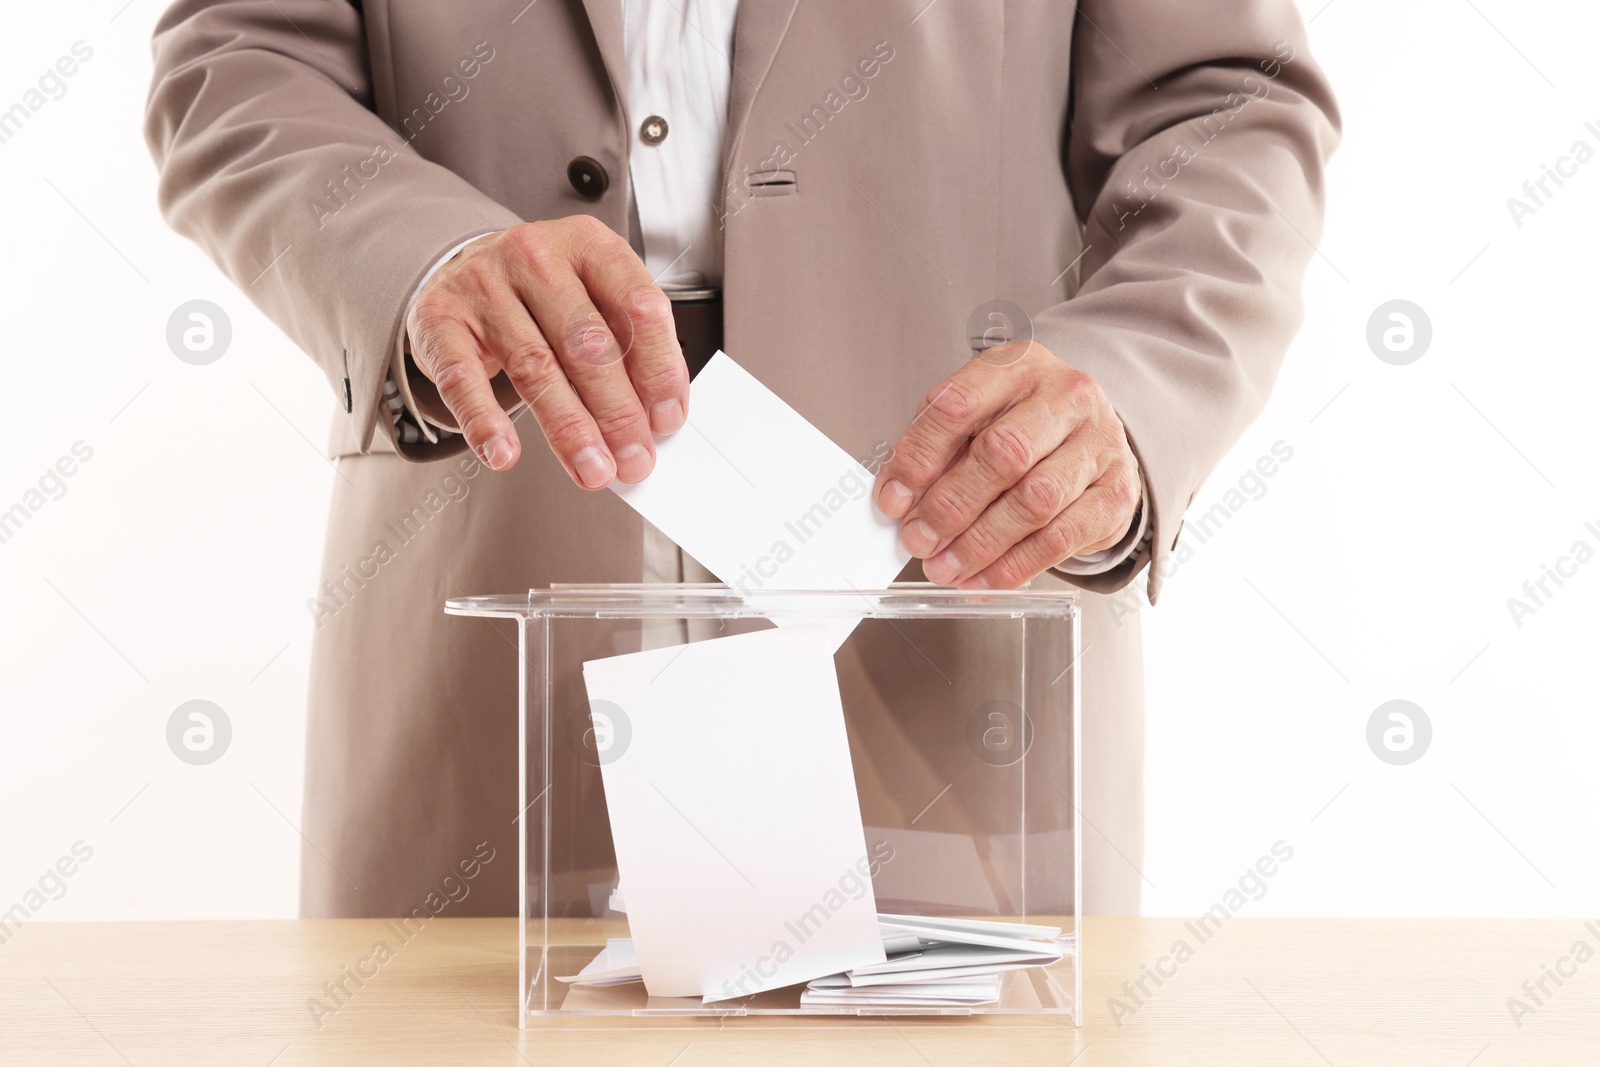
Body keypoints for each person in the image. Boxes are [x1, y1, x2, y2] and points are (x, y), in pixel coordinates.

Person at [145, 0, 1338, 918]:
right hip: (493, 553)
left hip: (936, 563)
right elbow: (238, 65)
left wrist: (1127, 387)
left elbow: (1230, 106)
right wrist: (421, 257)